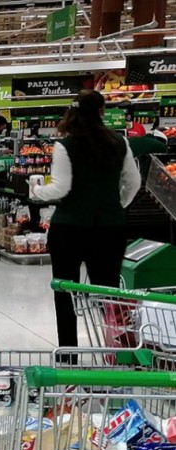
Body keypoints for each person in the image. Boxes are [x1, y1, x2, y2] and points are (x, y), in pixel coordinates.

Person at [29, 89, 140, 349]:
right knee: (110, 295)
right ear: (102, 111)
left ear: (73, 111)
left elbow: (61, 188)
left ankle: (68, 356)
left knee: (65, 292)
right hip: (110, 229)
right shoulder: (119, 142)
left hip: (69, 228)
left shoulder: (65, 145)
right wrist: (115, 205)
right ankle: (117, 354)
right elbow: (133, 183)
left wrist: (36, 191)